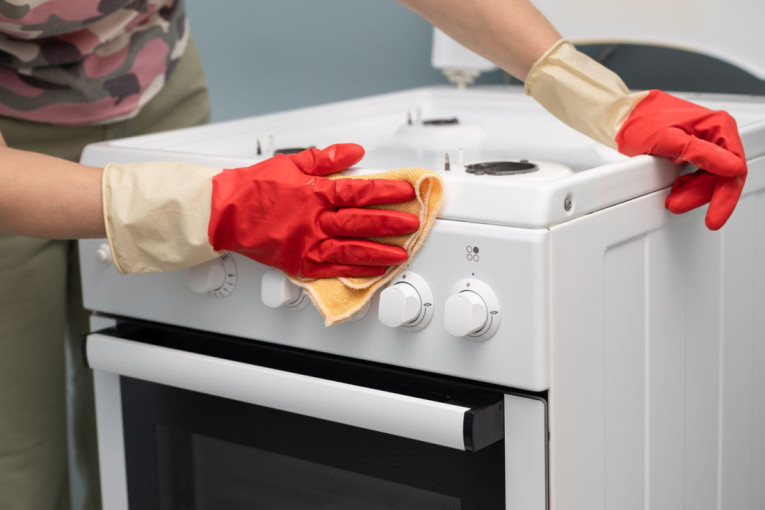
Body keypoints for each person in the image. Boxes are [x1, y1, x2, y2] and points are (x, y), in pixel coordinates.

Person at [0, 1, 748, 509]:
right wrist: (209, 207)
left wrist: (599, 97)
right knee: (18, 460)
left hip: (148, 85)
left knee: (120, 423)